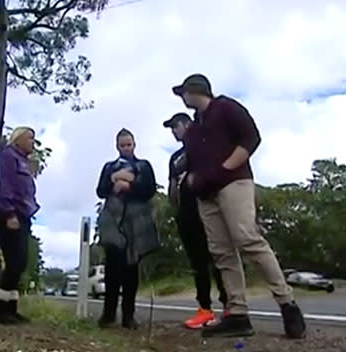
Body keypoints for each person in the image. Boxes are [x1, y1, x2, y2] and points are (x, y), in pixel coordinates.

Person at [171, 73, 306, 339]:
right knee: (221, 253)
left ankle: (287, 304)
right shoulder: (194, 129)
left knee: (248, 239)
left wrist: (225, 168)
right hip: (206, 197)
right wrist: (195, 181)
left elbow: (250, 138)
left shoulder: (225, 107)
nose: (183, 98)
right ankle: (237, 313)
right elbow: (193, 163)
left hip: (234, 183)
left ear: (194, 90)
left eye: (183, 93)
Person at [163, 112, 228, 329]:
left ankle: (230, 307)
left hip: (207, 209)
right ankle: (204, 309)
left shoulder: (203, 146)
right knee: (197, 263)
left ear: (187, 124)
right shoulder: (175, 158)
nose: (174, 131)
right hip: (186, 214)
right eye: (171, 128)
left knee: (218, 258)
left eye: (176, 126)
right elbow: (172, 186)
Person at [95, 128, 160, 329]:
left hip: (136, 222)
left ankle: (128, 316)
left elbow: (149, 190)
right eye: (122, 145)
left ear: (134, 144)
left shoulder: (144, 165)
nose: (126, 148)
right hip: (113, 222)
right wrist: (114, 182)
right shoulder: (109, 167)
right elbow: (100, 191)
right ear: (117, 146)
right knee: (112, 271)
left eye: (129, 144)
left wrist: (129, 185)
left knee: (131, 271)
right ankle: (107, 315)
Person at [0, 127, 40, 325]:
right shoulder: (9, 157)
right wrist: (9, 213)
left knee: (20, 263)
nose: (33, 142)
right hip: (10, 214)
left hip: (23, 215)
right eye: (30, 138)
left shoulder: (24, 162)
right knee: (15, 262)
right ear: (17, 140)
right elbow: (6, 185)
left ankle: (10, 308)